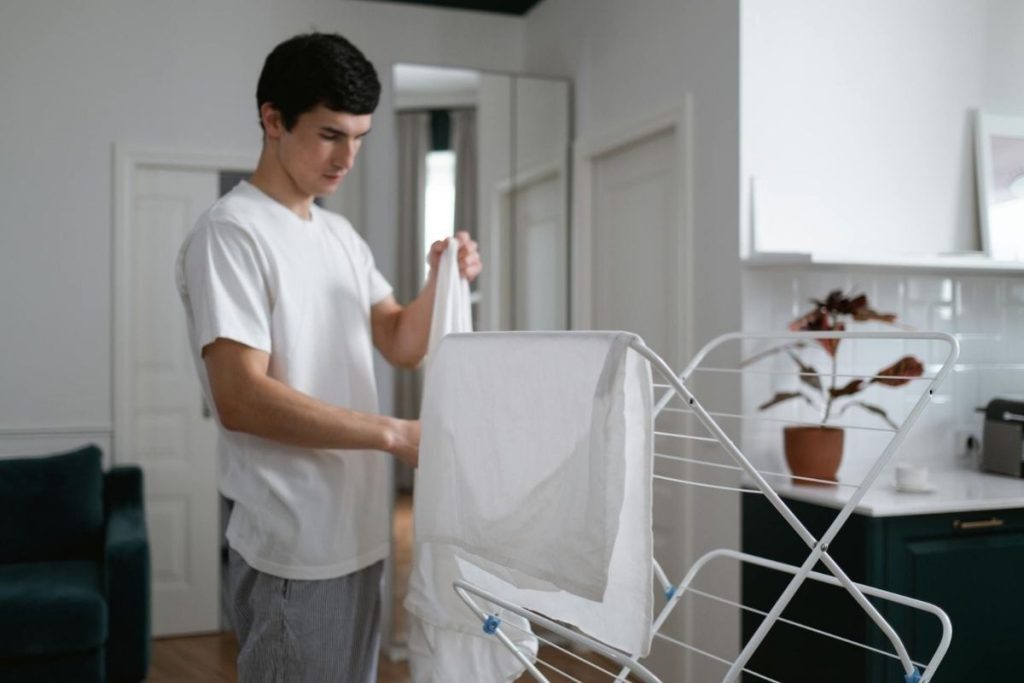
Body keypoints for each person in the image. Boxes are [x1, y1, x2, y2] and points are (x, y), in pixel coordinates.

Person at [175, 32, 481, 682]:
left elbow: (400, 339)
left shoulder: (339, 234)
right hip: (294, 546)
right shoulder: (232, 233)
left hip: (359, 536)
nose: (348, 158)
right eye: (330, 135)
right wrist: (395, 434)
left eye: (361, 137)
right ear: (273, 119)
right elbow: (240, 397)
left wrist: (442, 280)